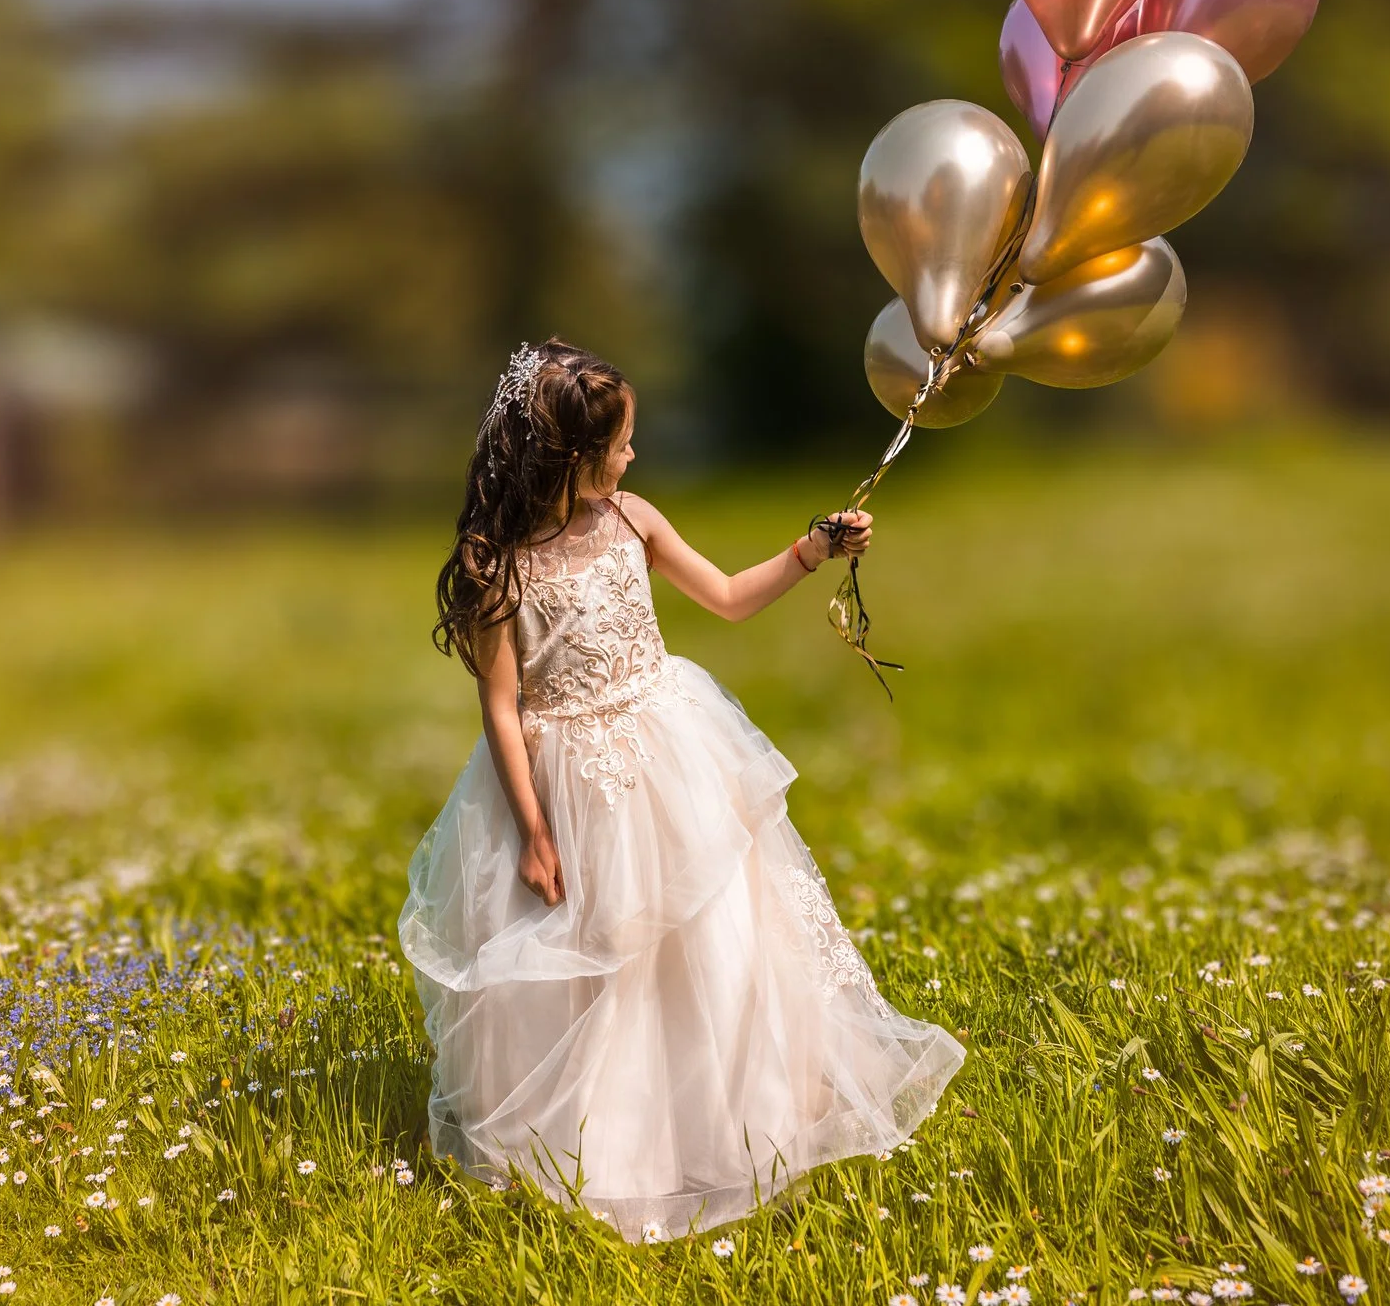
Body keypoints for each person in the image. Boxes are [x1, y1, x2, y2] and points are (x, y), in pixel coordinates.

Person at [399, 339, 966, 1241]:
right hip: (571, 786)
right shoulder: (497, 567)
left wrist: (813, 548)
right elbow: (502, 710)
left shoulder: (633, 521)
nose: (634, 454)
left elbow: (732, 596)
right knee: (600, 964)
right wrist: (535, 831)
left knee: (714, 939)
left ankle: (736, 1115)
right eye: (622, 442)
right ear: (570, 456)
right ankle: (610, 1148)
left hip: (670, 753)